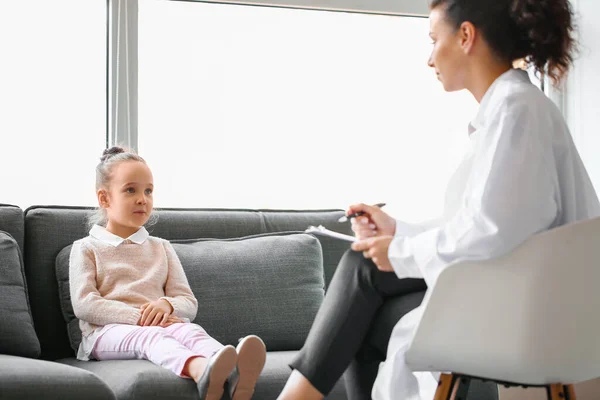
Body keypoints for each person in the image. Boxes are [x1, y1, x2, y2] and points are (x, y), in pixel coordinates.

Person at [276, 0, 600, 399]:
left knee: (365, 279)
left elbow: (491, 233)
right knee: (367, 278)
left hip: (532, 315)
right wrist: (398, 233)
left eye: (433, 40)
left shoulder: (517, 112)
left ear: (466, 36)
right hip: (520, 295)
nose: (429, 57)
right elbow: (487, 224)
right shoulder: (510, 111)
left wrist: (400, 250)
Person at [69, 146, 267, 400]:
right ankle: (202, 372)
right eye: (131, 190)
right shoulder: (86, 248)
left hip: (161, 324)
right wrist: (138, 317)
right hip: (104, 334)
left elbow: (188, 302)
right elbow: (85, 304)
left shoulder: (161, 247)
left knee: (191, 331)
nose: (143, 198)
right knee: (152, 337)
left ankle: (234, 372)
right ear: (104, 198)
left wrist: (167, 306)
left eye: (148, 191)